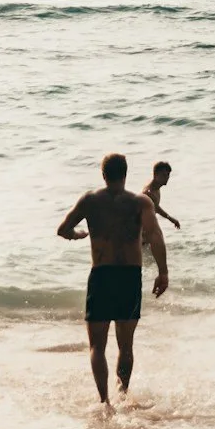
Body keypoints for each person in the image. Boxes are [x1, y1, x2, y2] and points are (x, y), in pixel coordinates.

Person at [57, 153, 169, 406]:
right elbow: (155, 236)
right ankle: (123, 394)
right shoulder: (141, 202)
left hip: (101, 275)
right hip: (130, 277)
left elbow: (62, 229)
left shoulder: (90, 200)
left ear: (103, 174)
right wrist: (163, 273)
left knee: (97, 345)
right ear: (126, 173)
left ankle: (104, 401)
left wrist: (77, 235)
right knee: (125, 345)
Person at [145, 160, 181, 229]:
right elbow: (157, 208)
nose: (167, 178)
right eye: (164, 175)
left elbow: (156, 207)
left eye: (168, 175)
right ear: (155, 175)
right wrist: (171, 219)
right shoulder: (149, 192)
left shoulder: (156, 188)